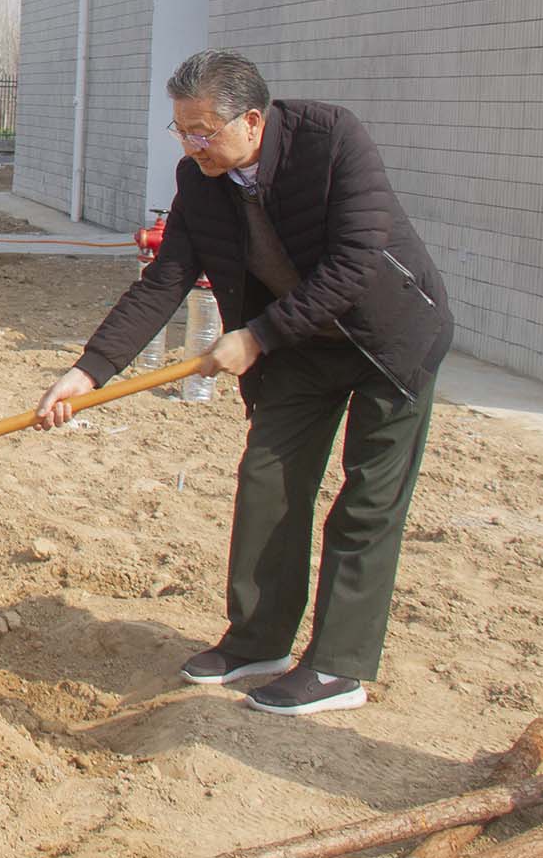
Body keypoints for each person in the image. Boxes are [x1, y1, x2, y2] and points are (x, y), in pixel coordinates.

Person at [33, 50, 452, 716]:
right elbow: (166, 281)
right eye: (181, 130)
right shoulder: (198, 182)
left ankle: (338, 666)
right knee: (268, 482)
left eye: (204, 131)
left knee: (367, 499)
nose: (192, 144)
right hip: (298, 349)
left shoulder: (332, 140)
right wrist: (89, 370)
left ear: (252, 122)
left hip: (386, 341)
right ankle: (258, 639)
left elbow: (354, 265)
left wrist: (253, 337)